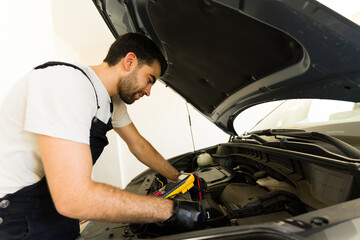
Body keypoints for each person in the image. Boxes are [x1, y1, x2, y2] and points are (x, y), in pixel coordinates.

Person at [0, 33, 205, 239]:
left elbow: (138, 144)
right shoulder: (66, 83)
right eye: (149, 79)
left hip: (56, 210)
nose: (149, 91)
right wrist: (171, 210)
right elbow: (73, 197)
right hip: (16, 215)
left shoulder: (112, 103)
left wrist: (178, 176)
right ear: (130, 61)